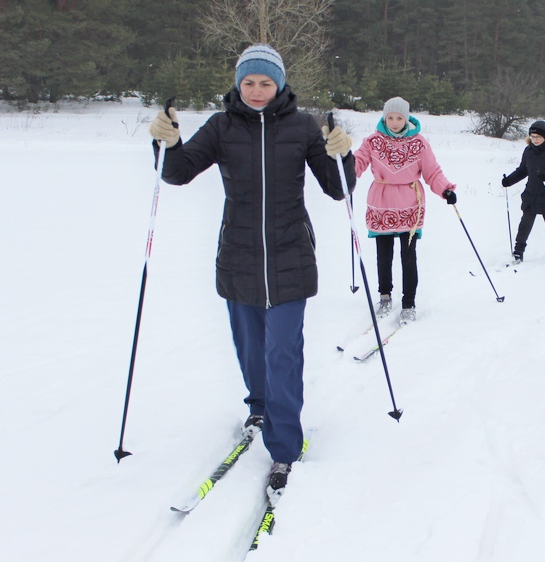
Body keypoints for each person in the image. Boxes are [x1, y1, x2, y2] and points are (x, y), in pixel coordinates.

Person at [147, 44, 355, 492]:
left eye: (265, 83)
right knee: (249, 348)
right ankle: (258, 405)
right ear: (237, 84)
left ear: (279, 84)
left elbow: (338, 188)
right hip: (239, 255)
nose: (257, 91)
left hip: (290, 256)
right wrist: (167, 142)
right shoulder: (222, 126)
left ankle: (283, 448)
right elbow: (179, 171)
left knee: (282, 352)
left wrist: (343, 154)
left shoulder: (301, 127)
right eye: (249, 82)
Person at [354, 96, 457, 323]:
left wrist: (445, 190)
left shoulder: (419, 143)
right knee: (384, 256)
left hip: (410, 205)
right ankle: (384, 296)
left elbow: (432, 172)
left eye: (399, 118)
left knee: (408, 256)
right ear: (384, 117)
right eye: (389, 117)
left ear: (407, 118)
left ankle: (408, 302)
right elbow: (357, 162)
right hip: (381, 204)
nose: (394, 122)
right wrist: (343, 167)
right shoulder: (372, 141)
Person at [501, 120, 545, 261]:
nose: (535, 140)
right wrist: (509, 180)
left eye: (538, 137)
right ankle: (518, 251)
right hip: (531, 193)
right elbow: (523, 170)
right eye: (532, 137)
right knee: (525, 223)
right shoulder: (528, 150)